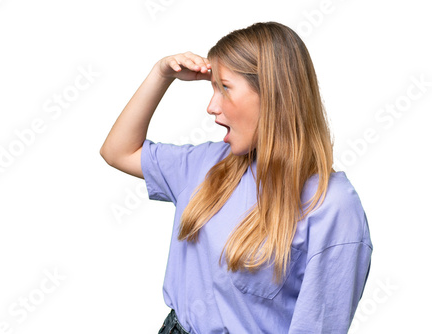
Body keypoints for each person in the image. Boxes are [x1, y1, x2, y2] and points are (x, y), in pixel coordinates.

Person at [100, 21, 372, 334]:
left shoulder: (332, 205)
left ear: (273, 96)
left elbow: (319, 325)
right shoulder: (205, 163)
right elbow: (117, 151)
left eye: (224, 88)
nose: (211, 106)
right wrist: (162, 74)